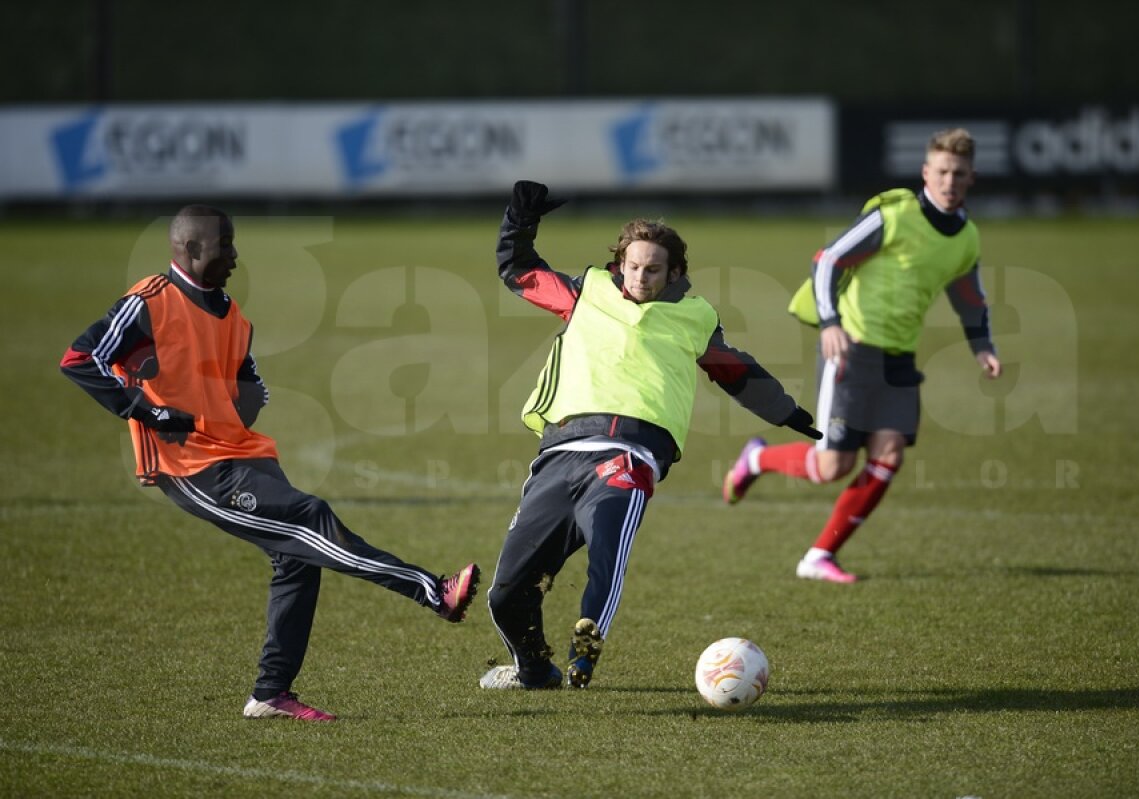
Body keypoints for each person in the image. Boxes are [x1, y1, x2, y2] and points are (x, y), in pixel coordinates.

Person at [60, 204, 480, 722]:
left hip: (245, 451)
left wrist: (250, 395)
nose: (235, 256)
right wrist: (148, 409)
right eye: (225, 245)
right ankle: (432, 591)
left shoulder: (233, 314)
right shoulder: (151, 299)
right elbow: (83, 358)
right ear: (190, 250)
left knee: (297, 561)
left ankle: (271, 694)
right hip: (192, 465)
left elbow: (246, 378)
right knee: (311, 516)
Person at [479, 181, 822, 691]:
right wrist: (519, 221)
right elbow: (518, 270)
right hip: (560, 454)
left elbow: (736, 372)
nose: (640, 276)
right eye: (633, 266)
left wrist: (786, 412)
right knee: (505, 595)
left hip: (630, 456)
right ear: (619, 264)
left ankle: (586, 643)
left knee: (606, 553)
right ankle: (534, 670)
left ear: (675, 272)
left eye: (654, 268)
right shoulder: (584, 292)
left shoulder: (695, 317)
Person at [722, 127, 1003, 583]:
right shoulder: (894, 217)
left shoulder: (966, 237)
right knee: (832, 466)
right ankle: (756, 460)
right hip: (851, 348)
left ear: (972, 178)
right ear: (926, 172)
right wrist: (831, 323)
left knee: (889, 455)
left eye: (960, 173)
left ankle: (819, 556)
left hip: (900, 358)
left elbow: (970, 296)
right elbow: (828, 260)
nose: (950, 181)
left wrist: (982, 346)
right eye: (943, 171)